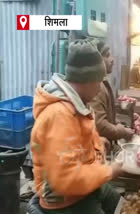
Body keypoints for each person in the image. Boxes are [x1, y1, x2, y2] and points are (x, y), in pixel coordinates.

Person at [29, 39, 123, 214]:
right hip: (65, 201)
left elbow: (73, 145)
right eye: (99, 81)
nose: (100, 87)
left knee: (121, 205)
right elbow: (66, 179)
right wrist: (110, 171)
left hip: (83, 187)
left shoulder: (76, 105)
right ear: (87, 80)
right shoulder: (60, 116)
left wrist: (98, 144)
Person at [90, 41, 134, 152]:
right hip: (98, 149)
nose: (112, 59)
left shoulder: (103, 83)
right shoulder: (96, 87)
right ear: (97, 60)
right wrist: (122, 132)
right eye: (107, 55)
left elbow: (107, 113)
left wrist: (118, 123)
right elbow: (99, 125)